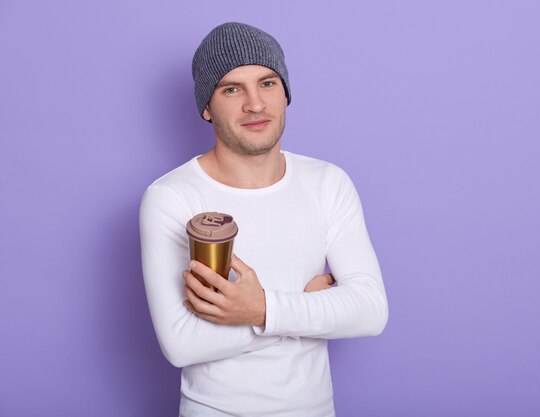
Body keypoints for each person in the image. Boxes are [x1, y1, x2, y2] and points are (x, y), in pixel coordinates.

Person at [140, 22, 388, 417]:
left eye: (268, 83)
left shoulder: (327, 182)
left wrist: (260, 309)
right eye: (231, 89)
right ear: (206, 106)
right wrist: (302, 308)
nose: (255, 104)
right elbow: (181, 343)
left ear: (286, 93)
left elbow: (371, 310)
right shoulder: (171, 196)